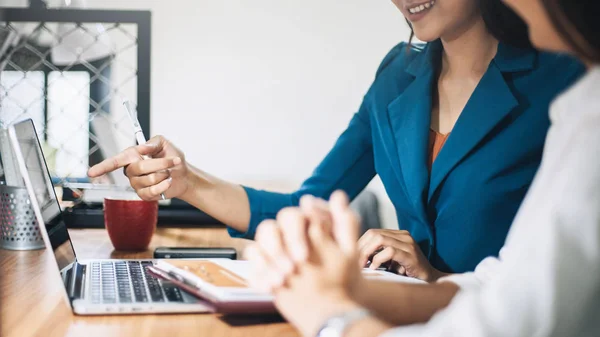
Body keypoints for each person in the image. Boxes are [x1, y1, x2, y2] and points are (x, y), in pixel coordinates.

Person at [88, 0, 583, 282]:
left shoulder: (565, 77)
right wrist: (185, 179)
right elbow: (309, 205)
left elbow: (567, 281)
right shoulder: (397, 75)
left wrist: (435, 278)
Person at [246, 0, 600, 336]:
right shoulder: (396, 75)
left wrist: (329, 315)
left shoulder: (571, 89)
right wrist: (354, 289)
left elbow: (515, 316)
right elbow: (504, 281)